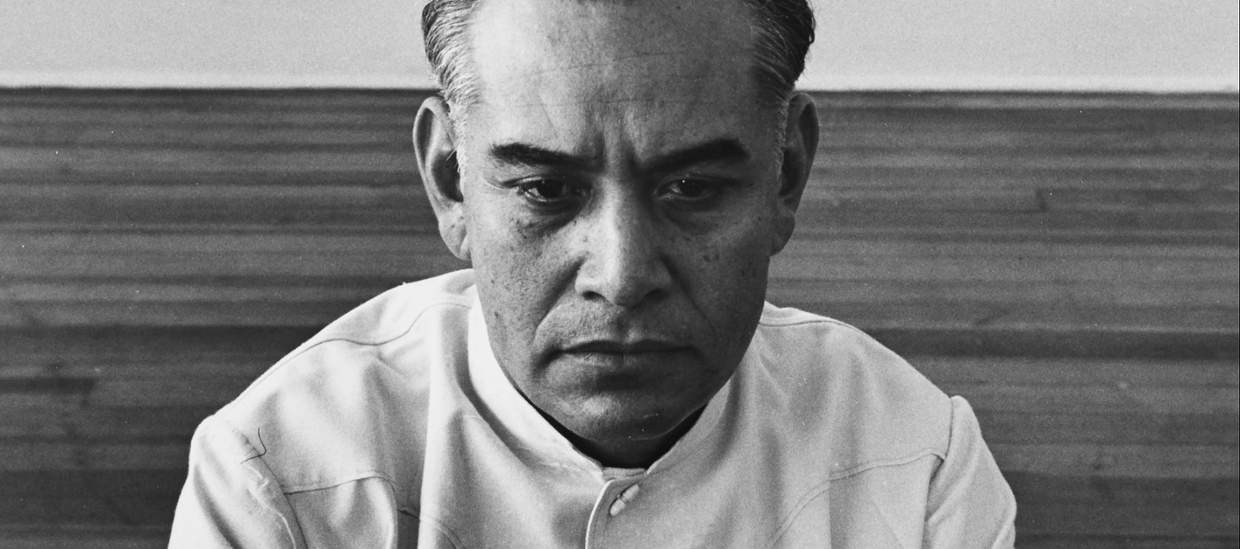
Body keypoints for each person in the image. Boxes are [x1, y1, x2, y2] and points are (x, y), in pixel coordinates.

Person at [169, 0, 1017, 546]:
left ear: (786, 174)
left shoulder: (916, 466)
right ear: (450, 182)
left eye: (691, 187)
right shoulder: (279, 477)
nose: (621, 275)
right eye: (544, 189)